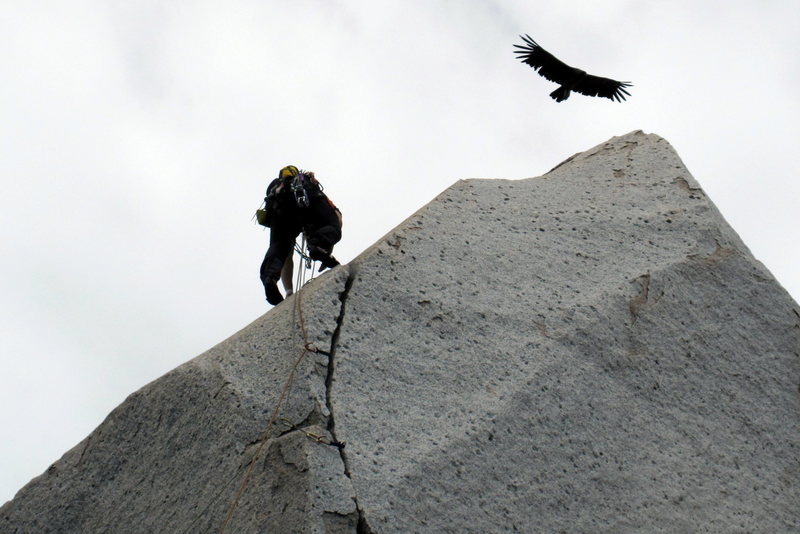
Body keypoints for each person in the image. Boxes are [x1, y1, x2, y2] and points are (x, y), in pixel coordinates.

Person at [259, 165, 342, 305]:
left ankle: (270, 278)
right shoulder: (307, 181)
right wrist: (325, 249)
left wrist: (289, 292)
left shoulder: (278, 189)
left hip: (279, 207)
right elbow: (337, 218)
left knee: (280, 245)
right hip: (308, 200)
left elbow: (286, 253)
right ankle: (317, 245)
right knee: (332, 226)